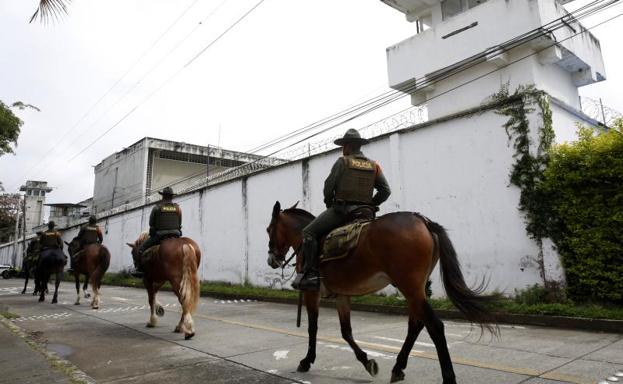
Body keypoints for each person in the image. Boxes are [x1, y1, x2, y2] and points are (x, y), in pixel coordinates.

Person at [292, 129, 391, 291]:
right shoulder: (375, 165)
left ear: (349, 146)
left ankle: (310, 274)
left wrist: (330, 203)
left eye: (343, 145)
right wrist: (372, 204)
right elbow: (386, 191)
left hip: (342, 211)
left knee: (308, 233)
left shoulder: (342, 162)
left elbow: (328, 187)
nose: (342, 149)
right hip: (366, 213)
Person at [133, 187, 182, 277]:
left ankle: (139, 269)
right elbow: (179, 224)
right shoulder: (178, 208)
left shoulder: (157, 208)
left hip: (161, 236)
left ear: (163, 196)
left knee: (140, 249)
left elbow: (151, 225)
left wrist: (153, 233)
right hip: (175, 235)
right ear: (172, 197)